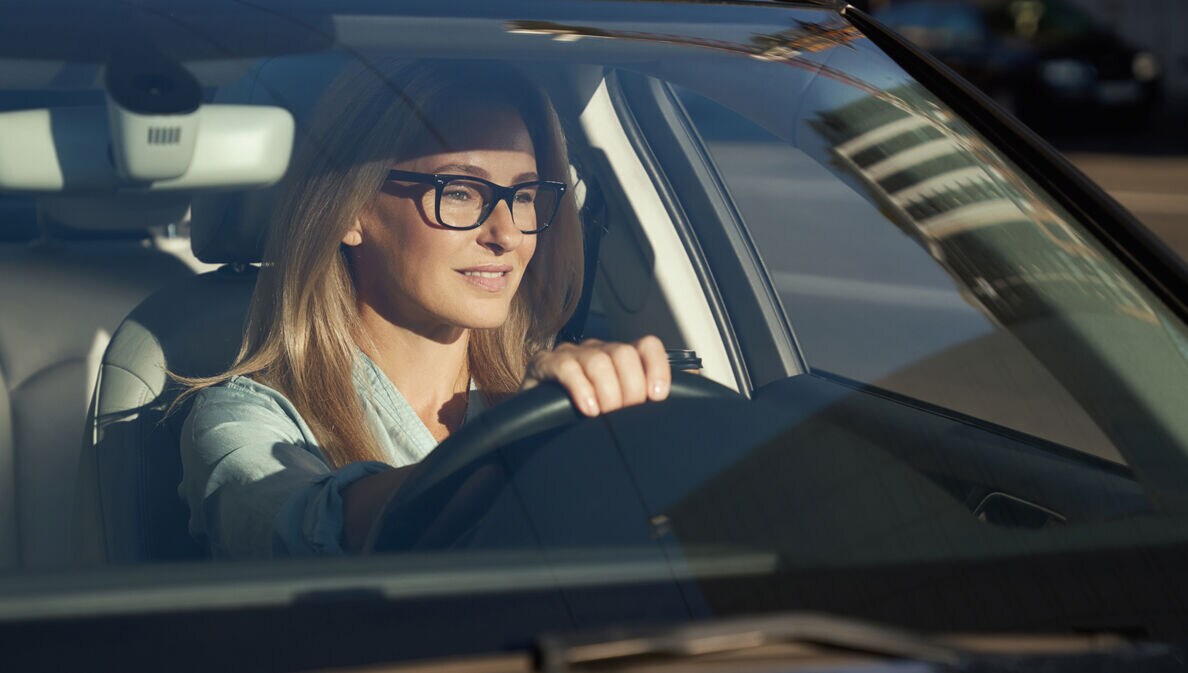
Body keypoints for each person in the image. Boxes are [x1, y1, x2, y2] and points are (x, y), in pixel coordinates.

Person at [178, 59, 671, 559]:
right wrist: (510, 456)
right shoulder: (241, 418)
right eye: (459, 191)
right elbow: (296, 532)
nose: (506, 234)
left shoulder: (554, 394)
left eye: (523, 195)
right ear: (350, 211)